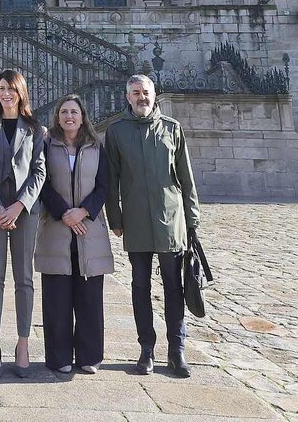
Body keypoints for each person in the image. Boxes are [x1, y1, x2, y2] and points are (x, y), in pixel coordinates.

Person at [105, 74, 201, 379]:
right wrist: (115, 218)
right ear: (128, 97)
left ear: (154, 94)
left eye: (145, 92)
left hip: (171, 220)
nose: (141, 97)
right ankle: (146, 348)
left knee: (174, 287)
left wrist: (193, 219)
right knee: (140, 286)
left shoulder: (172, 128)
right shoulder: (117, 132)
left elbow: (186, 178)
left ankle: (177, 350)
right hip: (135, 220)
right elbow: (111, 179)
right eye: (135, 93)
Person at [0, 69, 46, 378]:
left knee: (24, 278)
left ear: (21, 92)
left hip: (25, 211)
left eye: (11, 88)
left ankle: (23, 344)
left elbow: (39, 171)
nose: (6, 93)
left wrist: (18, 205)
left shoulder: (35, 127)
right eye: (1, 88)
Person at [34, 93, 113, 375]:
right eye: (64, 112)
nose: (69, 116)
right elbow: (41, 182)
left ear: (82, 117)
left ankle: (90, 356)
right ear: (57, 117)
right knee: (56, 300)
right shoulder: (46, 145)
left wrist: (83, 211)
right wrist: (64, 212)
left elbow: (104, 185)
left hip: (89, 230)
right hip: (56, 228)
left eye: (74, 112)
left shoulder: (96, 146)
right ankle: (59, 357)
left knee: (90, 299)